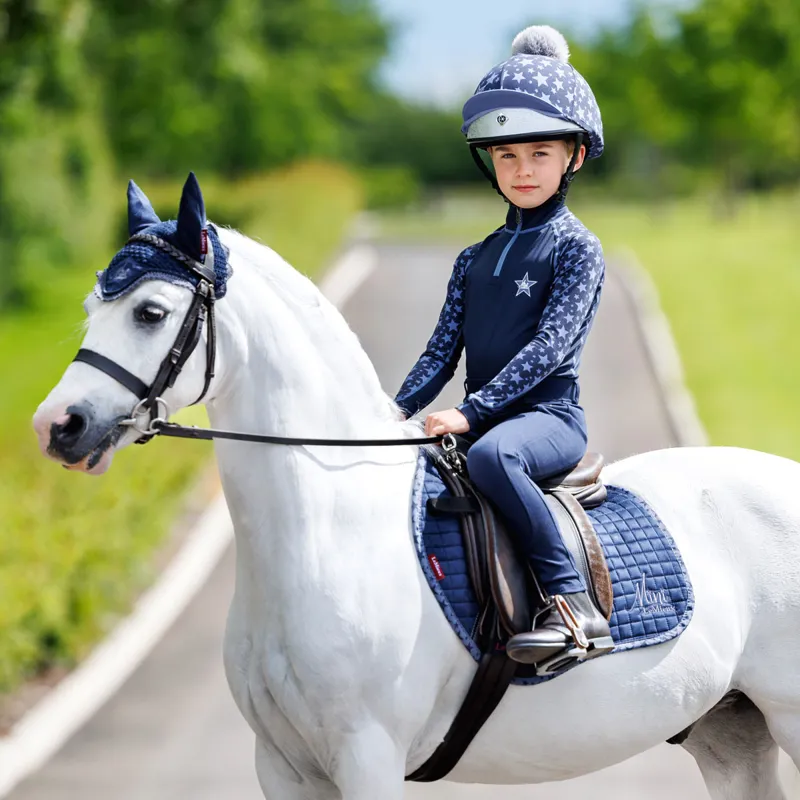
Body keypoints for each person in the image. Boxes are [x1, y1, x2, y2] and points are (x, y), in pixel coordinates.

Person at [394, 25, 613, 667]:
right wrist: (390, 412)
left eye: (540, 153)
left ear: (572, 157)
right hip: (484, 415)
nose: (522, 170)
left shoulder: (578, 249)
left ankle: (574, 607)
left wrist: (472, 411)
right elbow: (440, 353)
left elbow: (549, 348)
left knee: (491, 457)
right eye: (508, 156)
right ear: (490, 161)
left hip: (546, 420)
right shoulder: (473, 258)